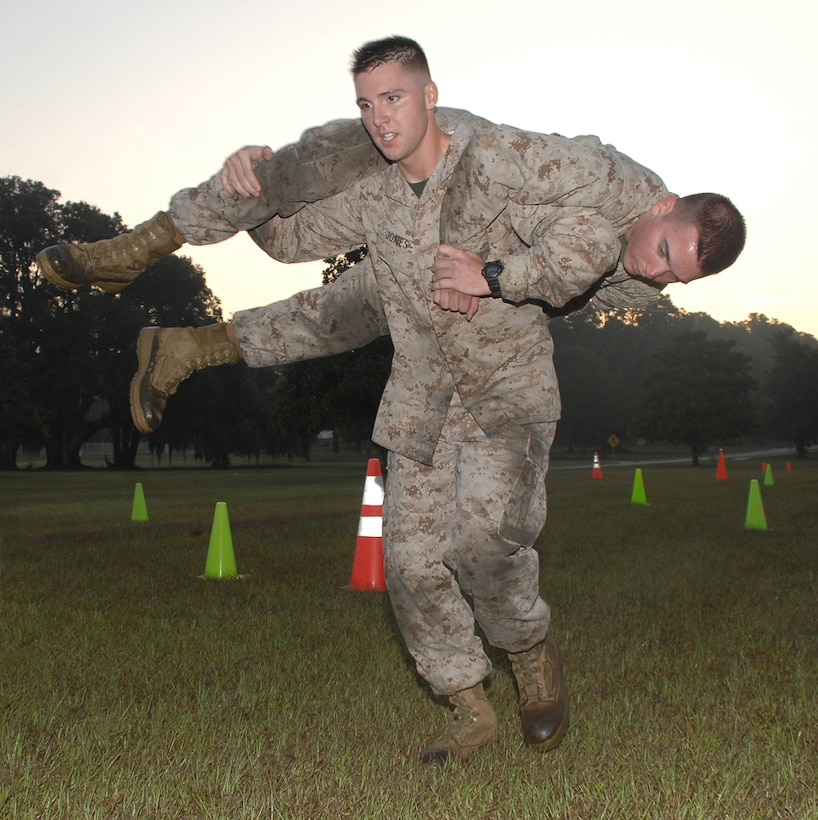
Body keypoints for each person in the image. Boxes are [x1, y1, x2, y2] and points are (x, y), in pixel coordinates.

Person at [43, 36, 747, 766]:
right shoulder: (422, 180)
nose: (660, 273)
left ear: (429, 97)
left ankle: (531, 654)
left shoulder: (568, 209)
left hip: (505, 388)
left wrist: (496, 274)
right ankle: (468, 707)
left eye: (675, 272)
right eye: (665, 253)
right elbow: (291, 239)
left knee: (485, 546)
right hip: (422, 389)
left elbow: (577, 257)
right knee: (410, 563)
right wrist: (253, 188)